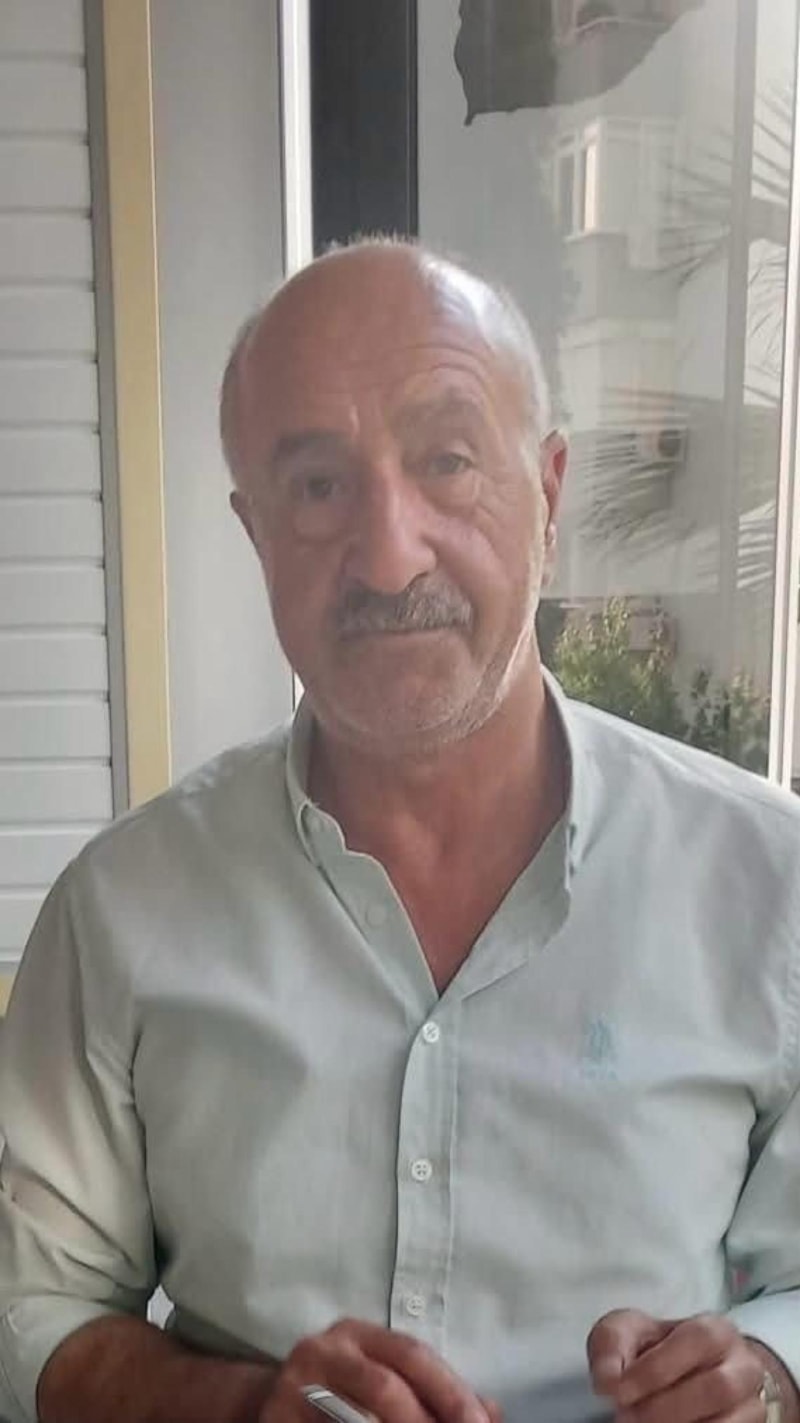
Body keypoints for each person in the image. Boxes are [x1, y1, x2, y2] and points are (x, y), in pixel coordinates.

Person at [0, 240, 798, 1423]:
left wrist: (768, 1370)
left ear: (548, 492)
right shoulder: (122, 907)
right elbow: (32, 1308)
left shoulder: (769, 883)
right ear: (253, 529)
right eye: (318, 486)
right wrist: (244, 1409)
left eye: (448, 462)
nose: (385, 554)